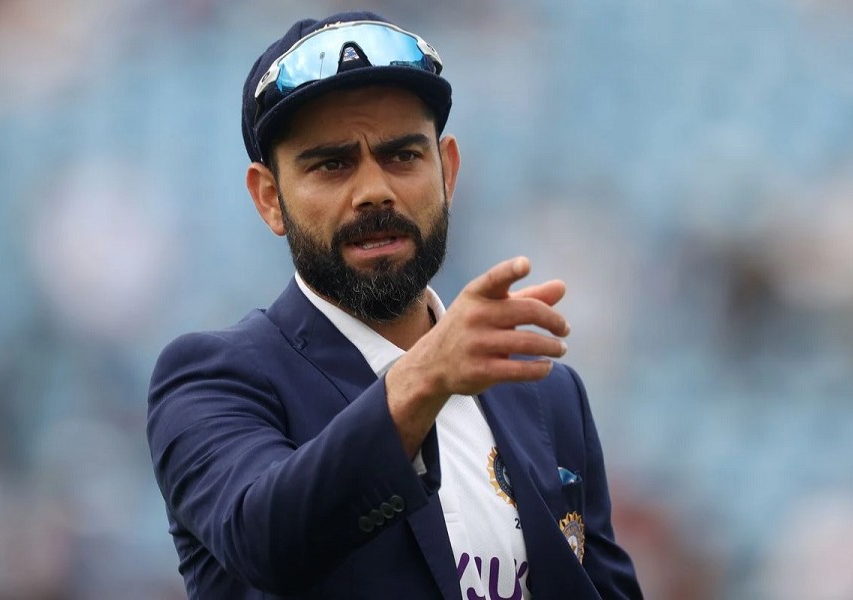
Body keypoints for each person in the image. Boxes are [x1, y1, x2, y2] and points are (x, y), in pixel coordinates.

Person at [147, 11, 642, 600]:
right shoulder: (215, 381)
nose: (375, 189)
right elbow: (266, 538)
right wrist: (427, 374)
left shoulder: (548, 395)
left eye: (403, 155)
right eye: (332, 164)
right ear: (269, 199)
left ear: (448, 170)